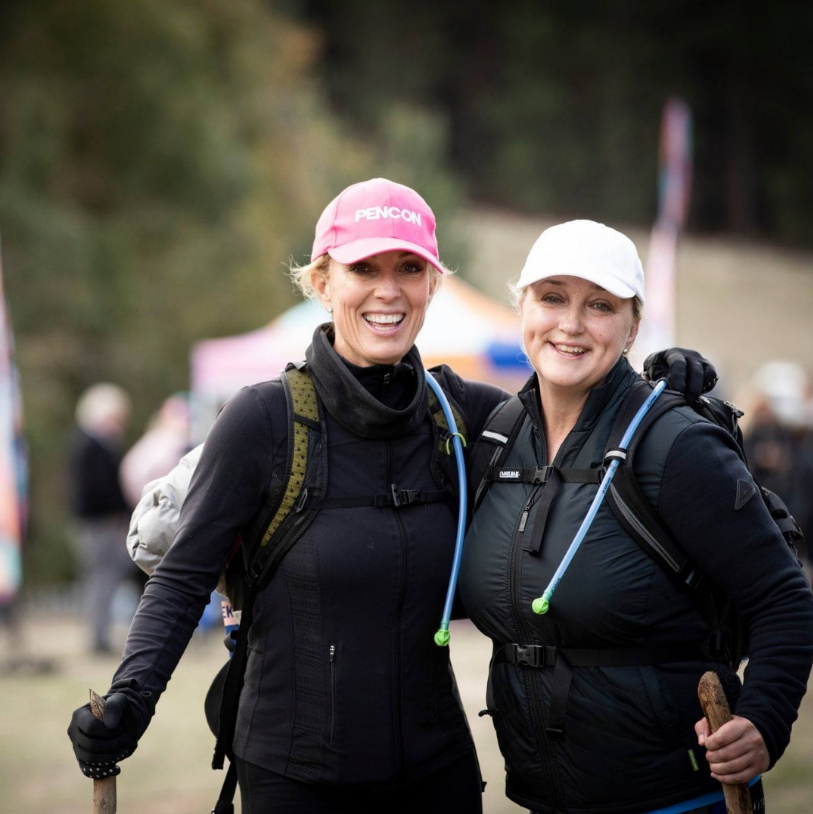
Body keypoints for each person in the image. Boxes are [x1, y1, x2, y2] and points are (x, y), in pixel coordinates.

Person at [67, 181, 714, 813]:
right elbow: (182, 581)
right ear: (321, 282)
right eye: (362, 267)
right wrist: (131, 699)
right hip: (294, 779)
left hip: (437, 776)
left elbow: (586, 426)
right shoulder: (262, 421)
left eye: (408, 267)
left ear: (432, 283)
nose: (388, 289)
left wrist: (654, 387)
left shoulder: (469, 418)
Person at [458, 219, 813, 814]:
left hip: (676, 800)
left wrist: (765, 722)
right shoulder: (497, 437)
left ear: (633, 326)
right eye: (551, 298)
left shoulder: (677, 444)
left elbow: (783, 597)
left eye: (599, 305)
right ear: (521, 308)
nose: (570, 324)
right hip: (542, 798)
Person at [67, 382, 139, 655]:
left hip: (101, 523)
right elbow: (98, 489)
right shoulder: (91, 446)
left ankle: (102, 634)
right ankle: (98, 638)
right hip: (98, 524)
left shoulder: (96, 444)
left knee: (105, 580)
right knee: (102, 581)